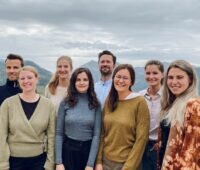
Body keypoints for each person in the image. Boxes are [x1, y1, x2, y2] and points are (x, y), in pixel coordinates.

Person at [0, 66, 56, 170]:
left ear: (37, 79)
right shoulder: (8, 104)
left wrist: (50, 163)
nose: (26, 81)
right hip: (13, 161)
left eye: (29, 78)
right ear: (18, 81)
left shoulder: (48, 105)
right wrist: (3, 164)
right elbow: (1, 136)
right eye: (22, 78)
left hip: (39, 161)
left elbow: (52, 137)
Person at [96, 64, 150, 170]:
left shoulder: (139, 102)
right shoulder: (110, 101)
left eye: (125, 78)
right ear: (113, 78)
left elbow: (141, 139)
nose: (121, 81)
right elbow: (102, 133)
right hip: (105, 162)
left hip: (127, 163)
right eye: (118, 77)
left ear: (131, 82)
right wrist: (98, 162)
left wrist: (128, 167)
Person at [55, 67, 101, 170]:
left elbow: (96, 135)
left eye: (85, 80)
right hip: (68, 151)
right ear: (73, 82)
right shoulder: (65, 103)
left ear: (90, 82)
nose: (81, 82)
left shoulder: (95, 104)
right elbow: (59, 133)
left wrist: (90, 164)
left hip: (87, 151)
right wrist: (58, 162)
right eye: (78, 80)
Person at [158, 60, 200, 170]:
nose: (174, 81)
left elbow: (191, 153)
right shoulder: (171, 104)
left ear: (190, 79)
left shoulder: (193, 106)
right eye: (170, 77)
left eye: (180, 77)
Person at [139, 60, 164, 170]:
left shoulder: (168, 97)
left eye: (155, 73)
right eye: (148, 73)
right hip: (141, 144)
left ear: (162, 74)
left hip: (159, 146)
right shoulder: (139, 96)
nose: (151, 76)